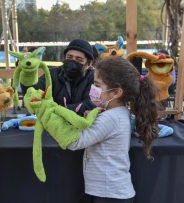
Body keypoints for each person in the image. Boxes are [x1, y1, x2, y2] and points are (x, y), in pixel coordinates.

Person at [66, 58, 158, 203]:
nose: (93, 89)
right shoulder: (117, 112)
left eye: (97, 85)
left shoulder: (111, 118)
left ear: (116, 92)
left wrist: (52, 119)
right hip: (111, 192)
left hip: (109, 195)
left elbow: (75, 142)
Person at [21, 39, 96, 115]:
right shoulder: (53, 74)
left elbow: (91, 104)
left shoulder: (94, 79)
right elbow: (33, 92)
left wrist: (58, 110)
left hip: (82, 125)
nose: (73, 62)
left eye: (79, 59)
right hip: (53, 124)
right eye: (69, 57)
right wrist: (27, 76)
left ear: (89, 64)